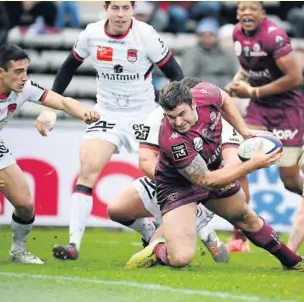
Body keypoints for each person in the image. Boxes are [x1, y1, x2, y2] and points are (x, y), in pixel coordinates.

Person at [124, 80, 304, 273]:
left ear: (194, 102)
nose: (177, 121)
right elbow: (206, 180)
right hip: (178, 185)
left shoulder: (206, 93)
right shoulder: (173, 139)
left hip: (211, 169)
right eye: (171, 116)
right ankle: (158, 249)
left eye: (181, 114)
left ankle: (294, 262)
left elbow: (224, 98)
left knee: (245, 216)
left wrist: (244, 131)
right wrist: (252, 164)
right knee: (181, 258)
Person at [35, 1, 184, 261]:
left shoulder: (146, 34)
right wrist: (52, 108)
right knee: (87, 170)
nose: (120, 14)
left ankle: (201, 231)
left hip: (145, 113)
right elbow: (68, 67)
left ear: (133, 8)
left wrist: (180, 113)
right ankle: (73, 245)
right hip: (106, 112)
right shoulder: (91, 34)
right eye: (115, 7)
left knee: (162, 174)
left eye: (126, 8)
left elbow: (175, 73)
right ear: (106, 7)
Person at [225, 1, 304, 252]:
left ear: (263, 14)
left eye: (252, 9)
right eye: (242, 9)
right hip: (259, 109)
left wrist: (253, 91)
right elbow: (249, 66)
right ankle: (240, 233)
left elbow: (295, 78)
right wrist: (238, 81)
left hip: (287, 111)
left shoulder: (274, 36)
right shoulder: (238, 33)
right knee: (239, 161)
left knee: (290, 179)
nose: (246, 13)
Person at [107, 77, 248, 263]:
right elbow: (145, 160)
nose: (179, 120)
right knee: (116, 210)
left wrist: (202, 184)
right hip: (166, 180)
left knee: (165, 247)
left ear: (194, 103)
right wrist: (170, 185)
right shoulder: (159, 116)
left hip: (204, 186)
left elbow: (232, 163)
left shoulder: (218, 119)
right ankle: (159, 231)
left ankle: (186, 226)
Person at [0, 44, 100, 264]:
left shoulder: (24, 88)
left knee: (25, 205)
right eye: (18, 72)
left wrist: (85, 113)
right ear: (1, 72)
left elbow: (62, 102)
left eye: (26, 71)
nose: (24, 77)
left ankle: (18, 250)